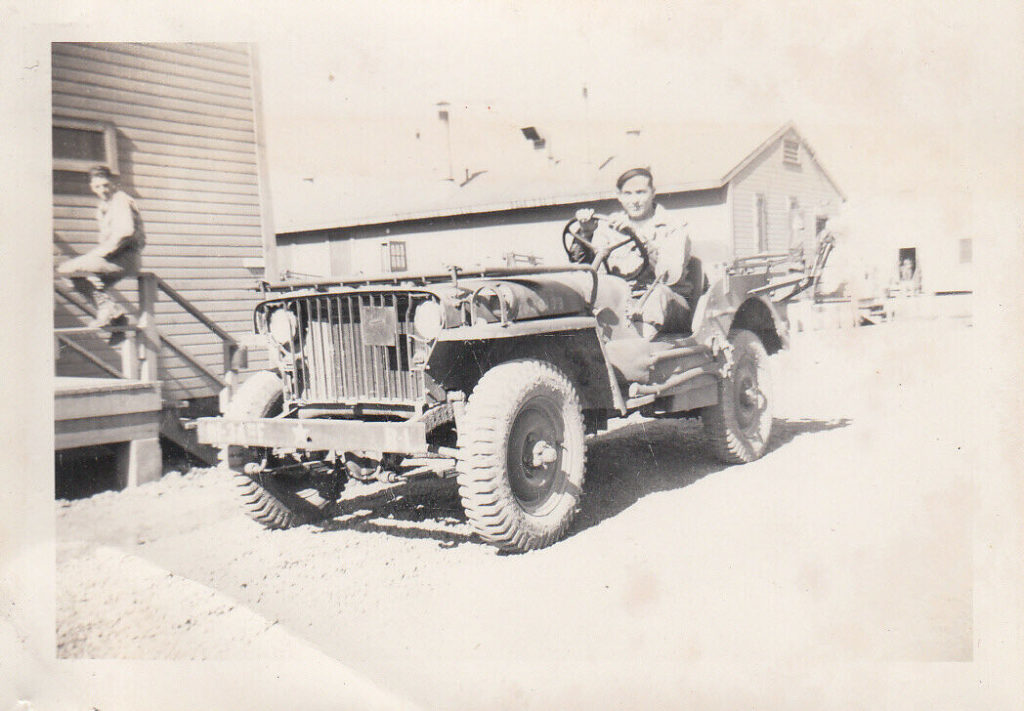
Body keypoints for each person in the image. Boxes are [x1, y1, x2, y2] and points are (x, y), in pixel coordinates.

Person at [570, 167, 694, 336]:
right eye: (628, 194)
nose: (634, 200)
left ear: (653, 193)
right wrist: (585, 233)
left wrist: (639, 239)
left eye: (640, 192)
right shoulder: (608, 226)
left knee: (655, 298)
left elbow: (668, 276)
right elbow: (588, 270)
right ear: (619, 196)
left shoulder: (674, 226)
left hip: (667, 302)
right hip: (621, 299)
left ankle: (640, 352)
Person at [56, 165, 145, 342]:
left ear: (113, 183)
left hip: (124, 257)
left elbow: (126, 232)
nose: (102, 190)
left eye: (105, 185)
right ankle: (118, 323)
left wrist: (100, 254)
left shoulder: (120, 200)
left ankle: (112, 313)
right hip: (114, 257)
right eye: (97, 187)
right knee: (92, 285)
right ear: (91, 186)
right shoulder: (103, 207)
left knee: (66, 270)